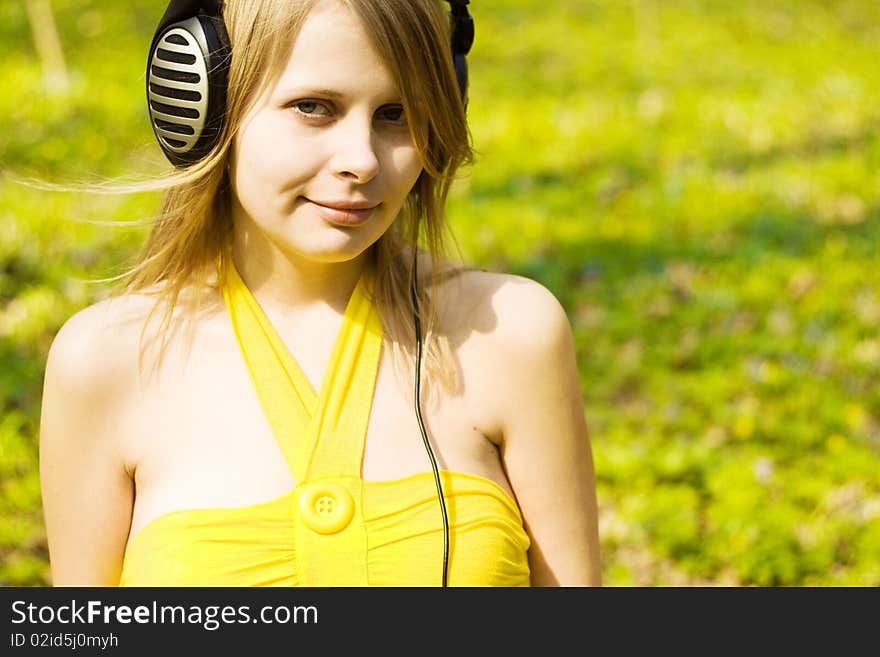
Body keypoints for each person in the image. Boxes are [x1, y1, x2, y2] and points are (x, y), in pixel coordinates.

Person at [38, 0, 601, 587]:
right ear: (204, 107)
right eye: (313, 108)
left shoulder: (512, 334)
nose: (361, 161)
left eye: (396, 114)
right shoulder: (104, 364)